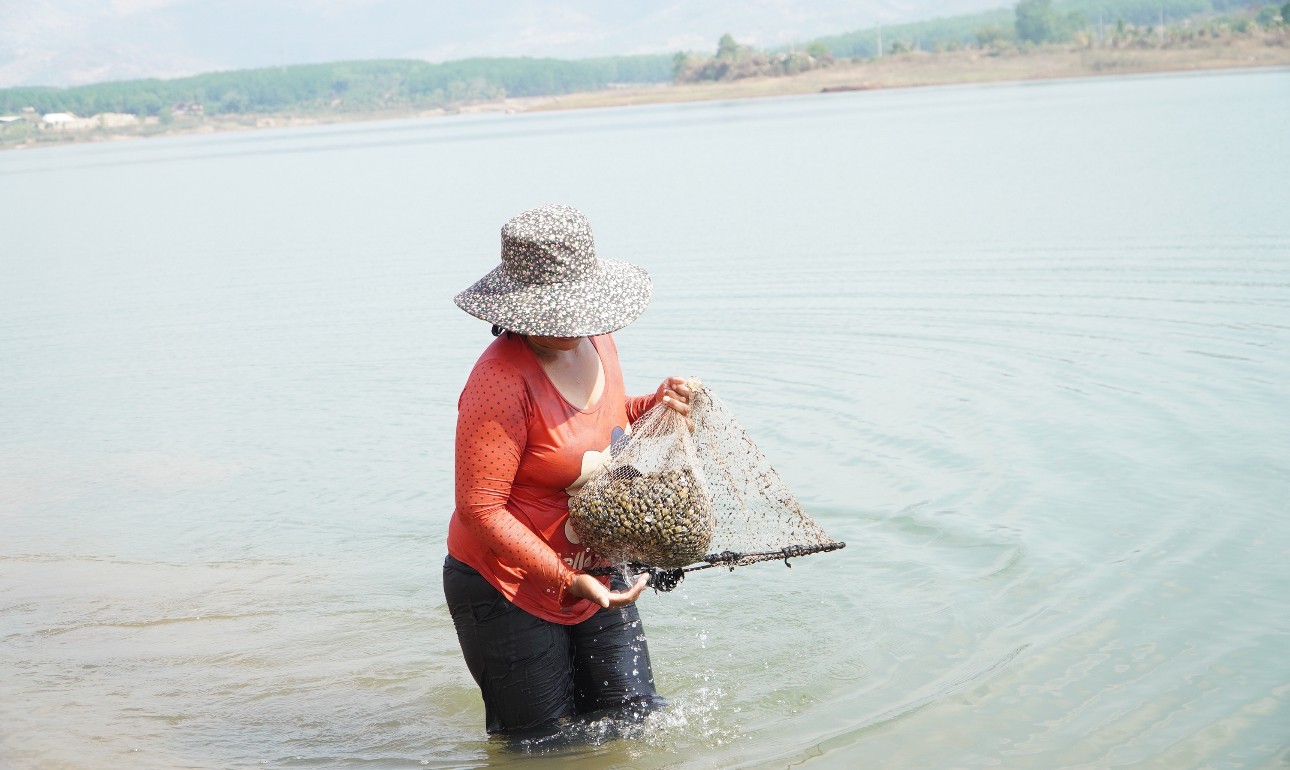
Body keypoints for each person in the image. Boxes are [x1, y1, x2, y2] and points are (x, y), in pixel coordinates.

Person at [443, 203, 692, 738]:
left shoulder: (599, 340)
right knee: (544, 744)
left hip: (593, 565)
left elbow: (606, 422)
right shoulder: (500, 382)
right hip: (507, 584)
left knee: (634, 723)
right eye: (553, 313)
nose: (569, 324)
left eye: (575, 309)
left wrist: (656, 405)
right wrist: (565, 579)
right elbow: (479, 508)